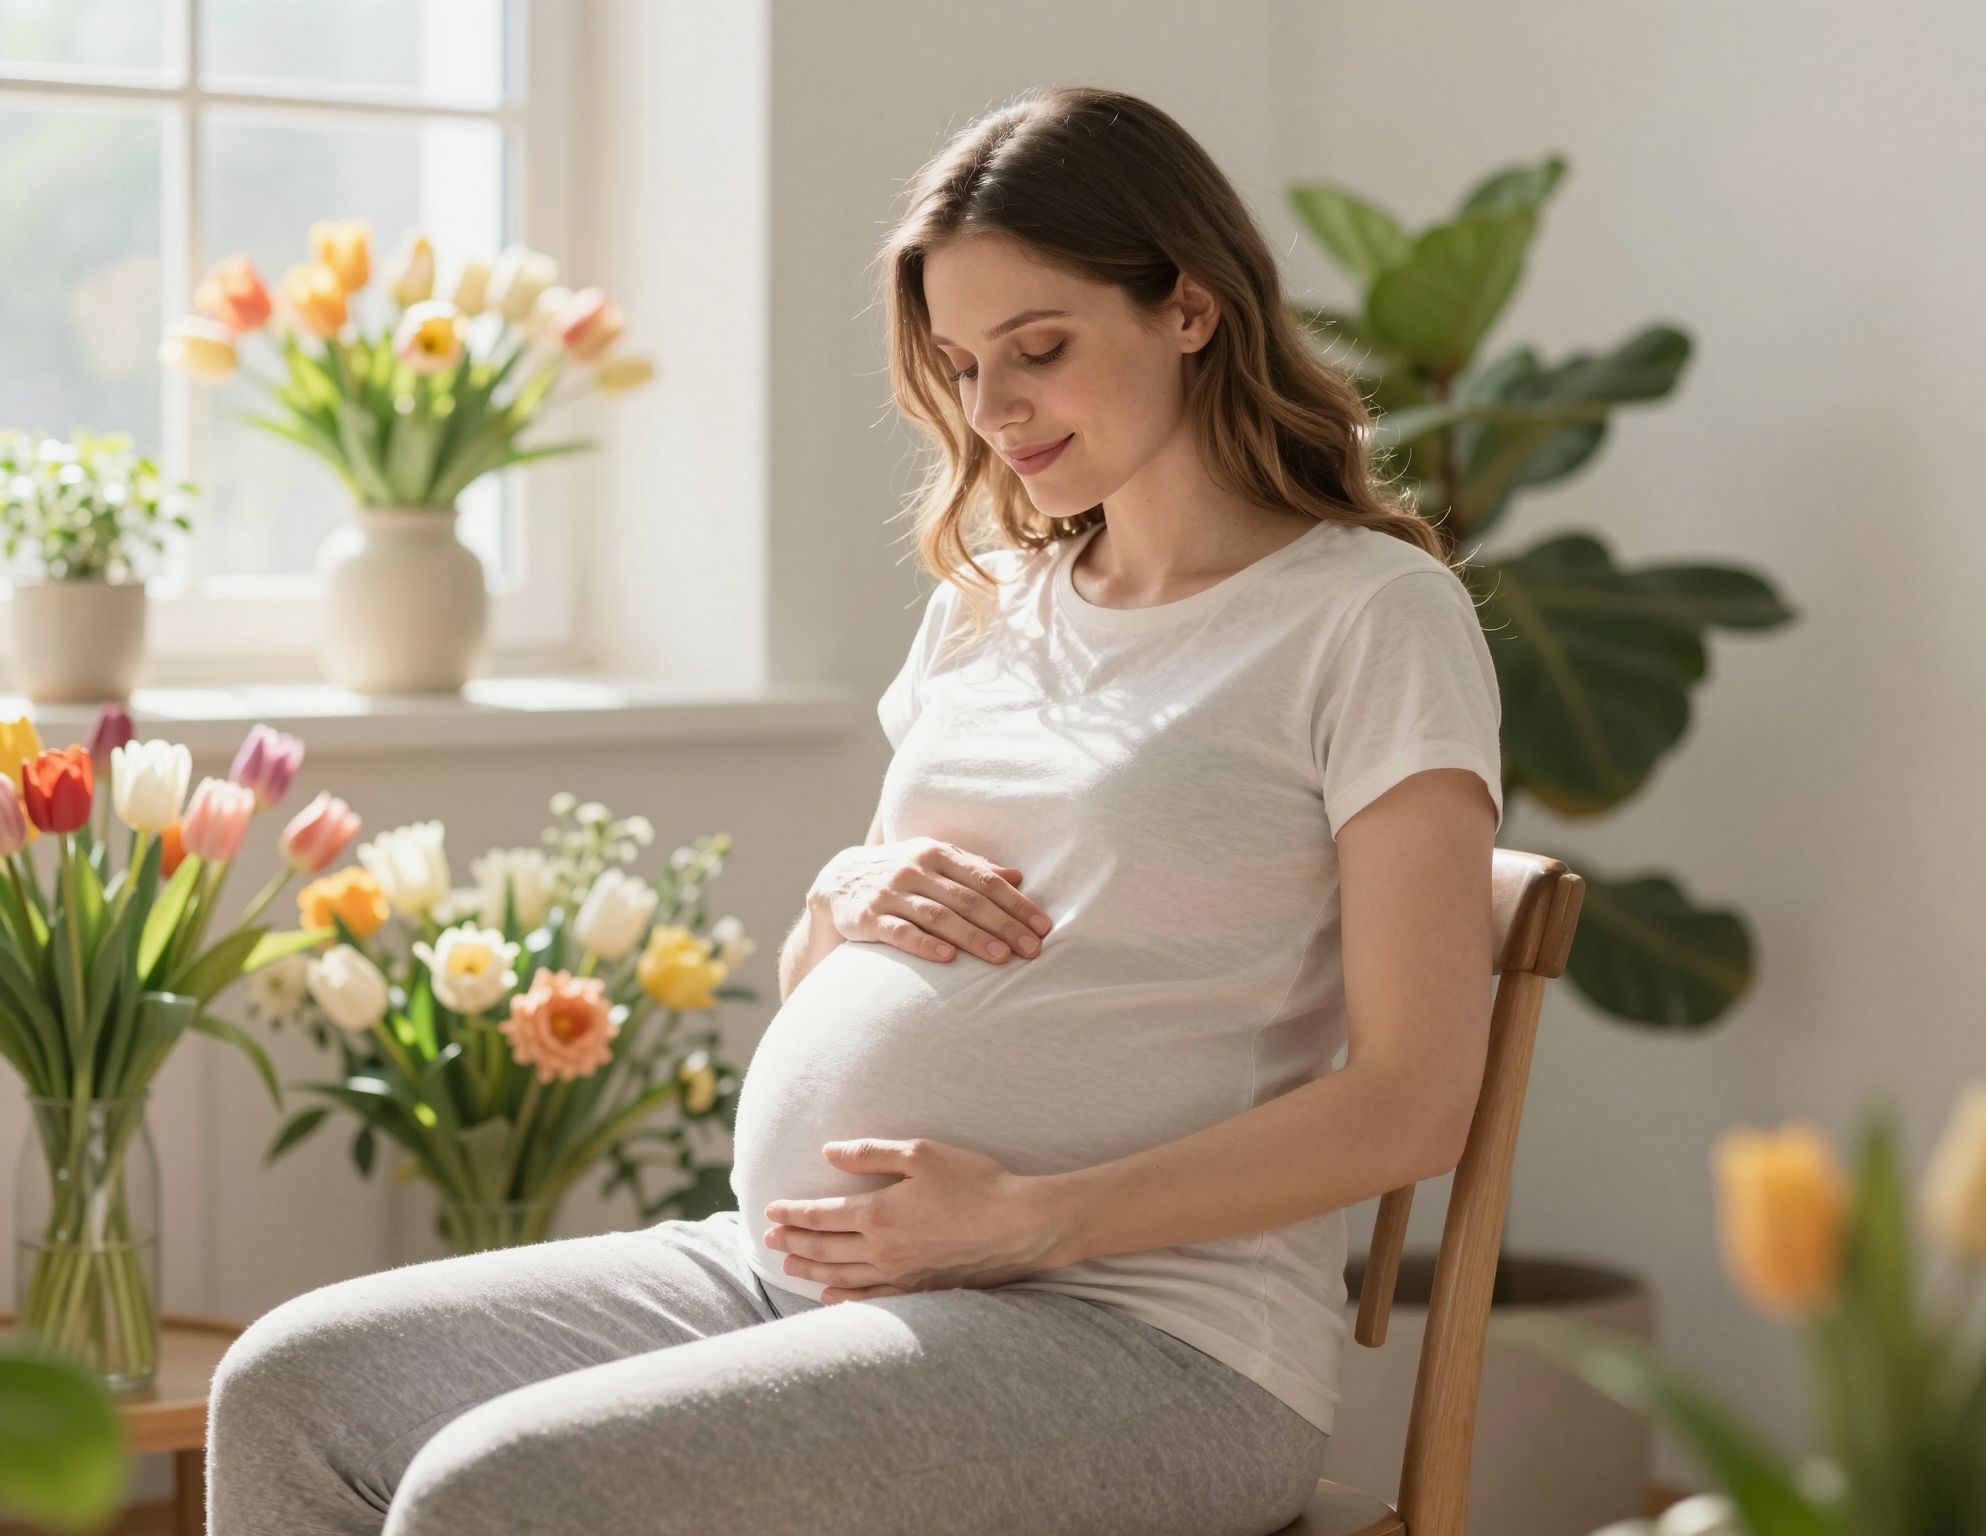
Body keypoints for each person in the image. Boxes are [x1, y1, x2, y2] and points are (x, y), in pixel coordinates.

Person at [206, 84, 1503, 1536]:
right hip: (797, 1269)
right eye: (959, 363)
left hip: (1143, 1339)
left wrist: (1028, 1219)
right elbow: (835, 972)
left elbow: (1415, 1099)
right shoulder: (991, 605)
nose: (992, 409)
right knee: (292, 1387)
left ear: (1190, 308)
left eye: (1040, 348)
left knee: (500, 1495)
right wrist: (839, 905)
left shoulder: (1367, 616)